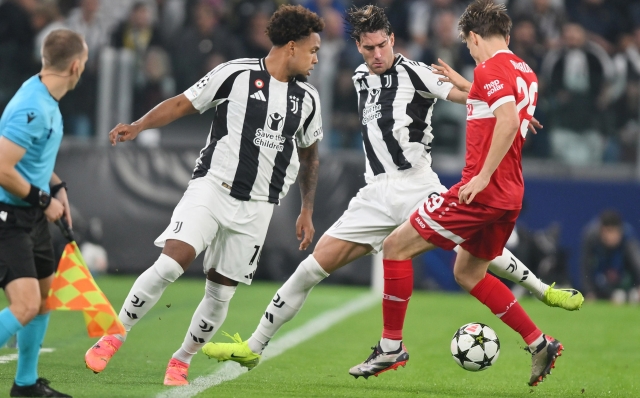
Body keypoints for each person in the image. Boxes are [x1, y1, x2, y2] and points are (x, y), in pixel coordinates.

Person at [203, 2, 582, 384]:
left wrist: (510, 108)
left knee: (469, 254)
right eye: (368, 49)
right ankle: (254, 346)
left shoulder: (417, 73)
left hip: (417, 185)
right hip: (374, 195)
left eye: (383, 45)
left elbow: (468, 96)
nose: (377, 54)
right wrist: (510, 103)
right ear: (358, 48)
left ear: (393, 40)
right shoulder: (358, 77)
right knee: (310, 270)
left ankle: (538, 289)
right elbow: (489, 95)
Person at [84, 4, 325, 387]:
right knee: (170, 264)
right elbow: (182, 102)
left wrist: (307, 209)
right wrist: (139, 126)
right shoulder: (236, 74)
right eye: (313, 50)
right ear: (292, 47)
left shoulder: (308, 100)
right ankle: (114, 334)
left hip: (259, 207)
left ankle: (181, 360)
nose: (316, 58)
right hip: (213, 187)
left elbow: (311, 156)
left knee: (220, 297)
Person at [346, 0, 561, 386]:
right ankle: (538, 341)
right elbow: (504, 109)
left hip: (482, 191)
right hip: (511, 194)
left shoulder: (491, 67)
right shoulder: (523, 69)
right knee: (468, 272)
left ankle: (391, 345)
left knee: (395, 248)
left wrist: (480, 179)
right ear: (507, 34)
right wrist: (467, 86)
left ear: (475, 37)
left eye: (470, 45)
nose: (471, 52)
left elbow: (508, 120)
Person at [0, 29, 88, 398]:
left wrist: (57, 188)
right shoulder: (32, 108)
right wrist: (43, 200)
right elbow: (3, 168)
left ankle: (25, 386)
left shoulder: (46, 97)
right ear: (76, 66)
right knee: (24, 306)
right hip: (9, 218)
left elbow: (30, 160)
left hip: (31, 214)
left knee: (44, 297)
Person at [581, 209, 640, 304]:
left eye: (613, 231)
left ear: (620, 230)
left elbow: (637, 262)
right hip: (601, 284)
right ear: (601, 230)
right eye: (607, 231)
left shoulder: (628, 237)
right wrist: (589, 291)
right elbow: (584, 266)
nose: (610, 236)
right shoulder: (590, 236)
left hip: (624, 281)